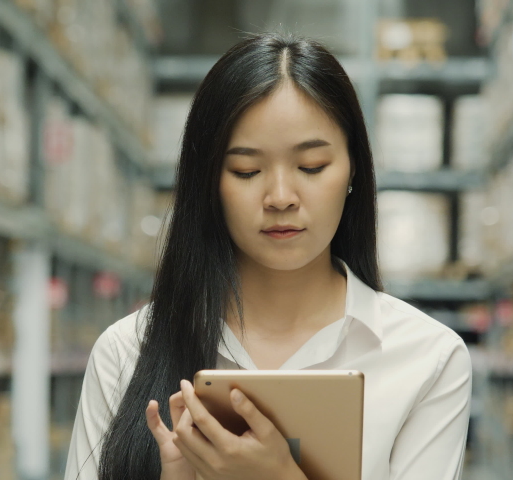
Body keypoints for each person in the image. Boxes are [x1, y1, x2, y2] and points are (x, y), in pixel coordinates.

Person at [64, 32, 472, 480]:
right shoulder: (126, 354)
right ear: (209, 183)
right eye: (246, 171)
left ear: (354, 168)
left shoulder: (426, 359)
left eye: (312, 166)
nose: (280, 197)